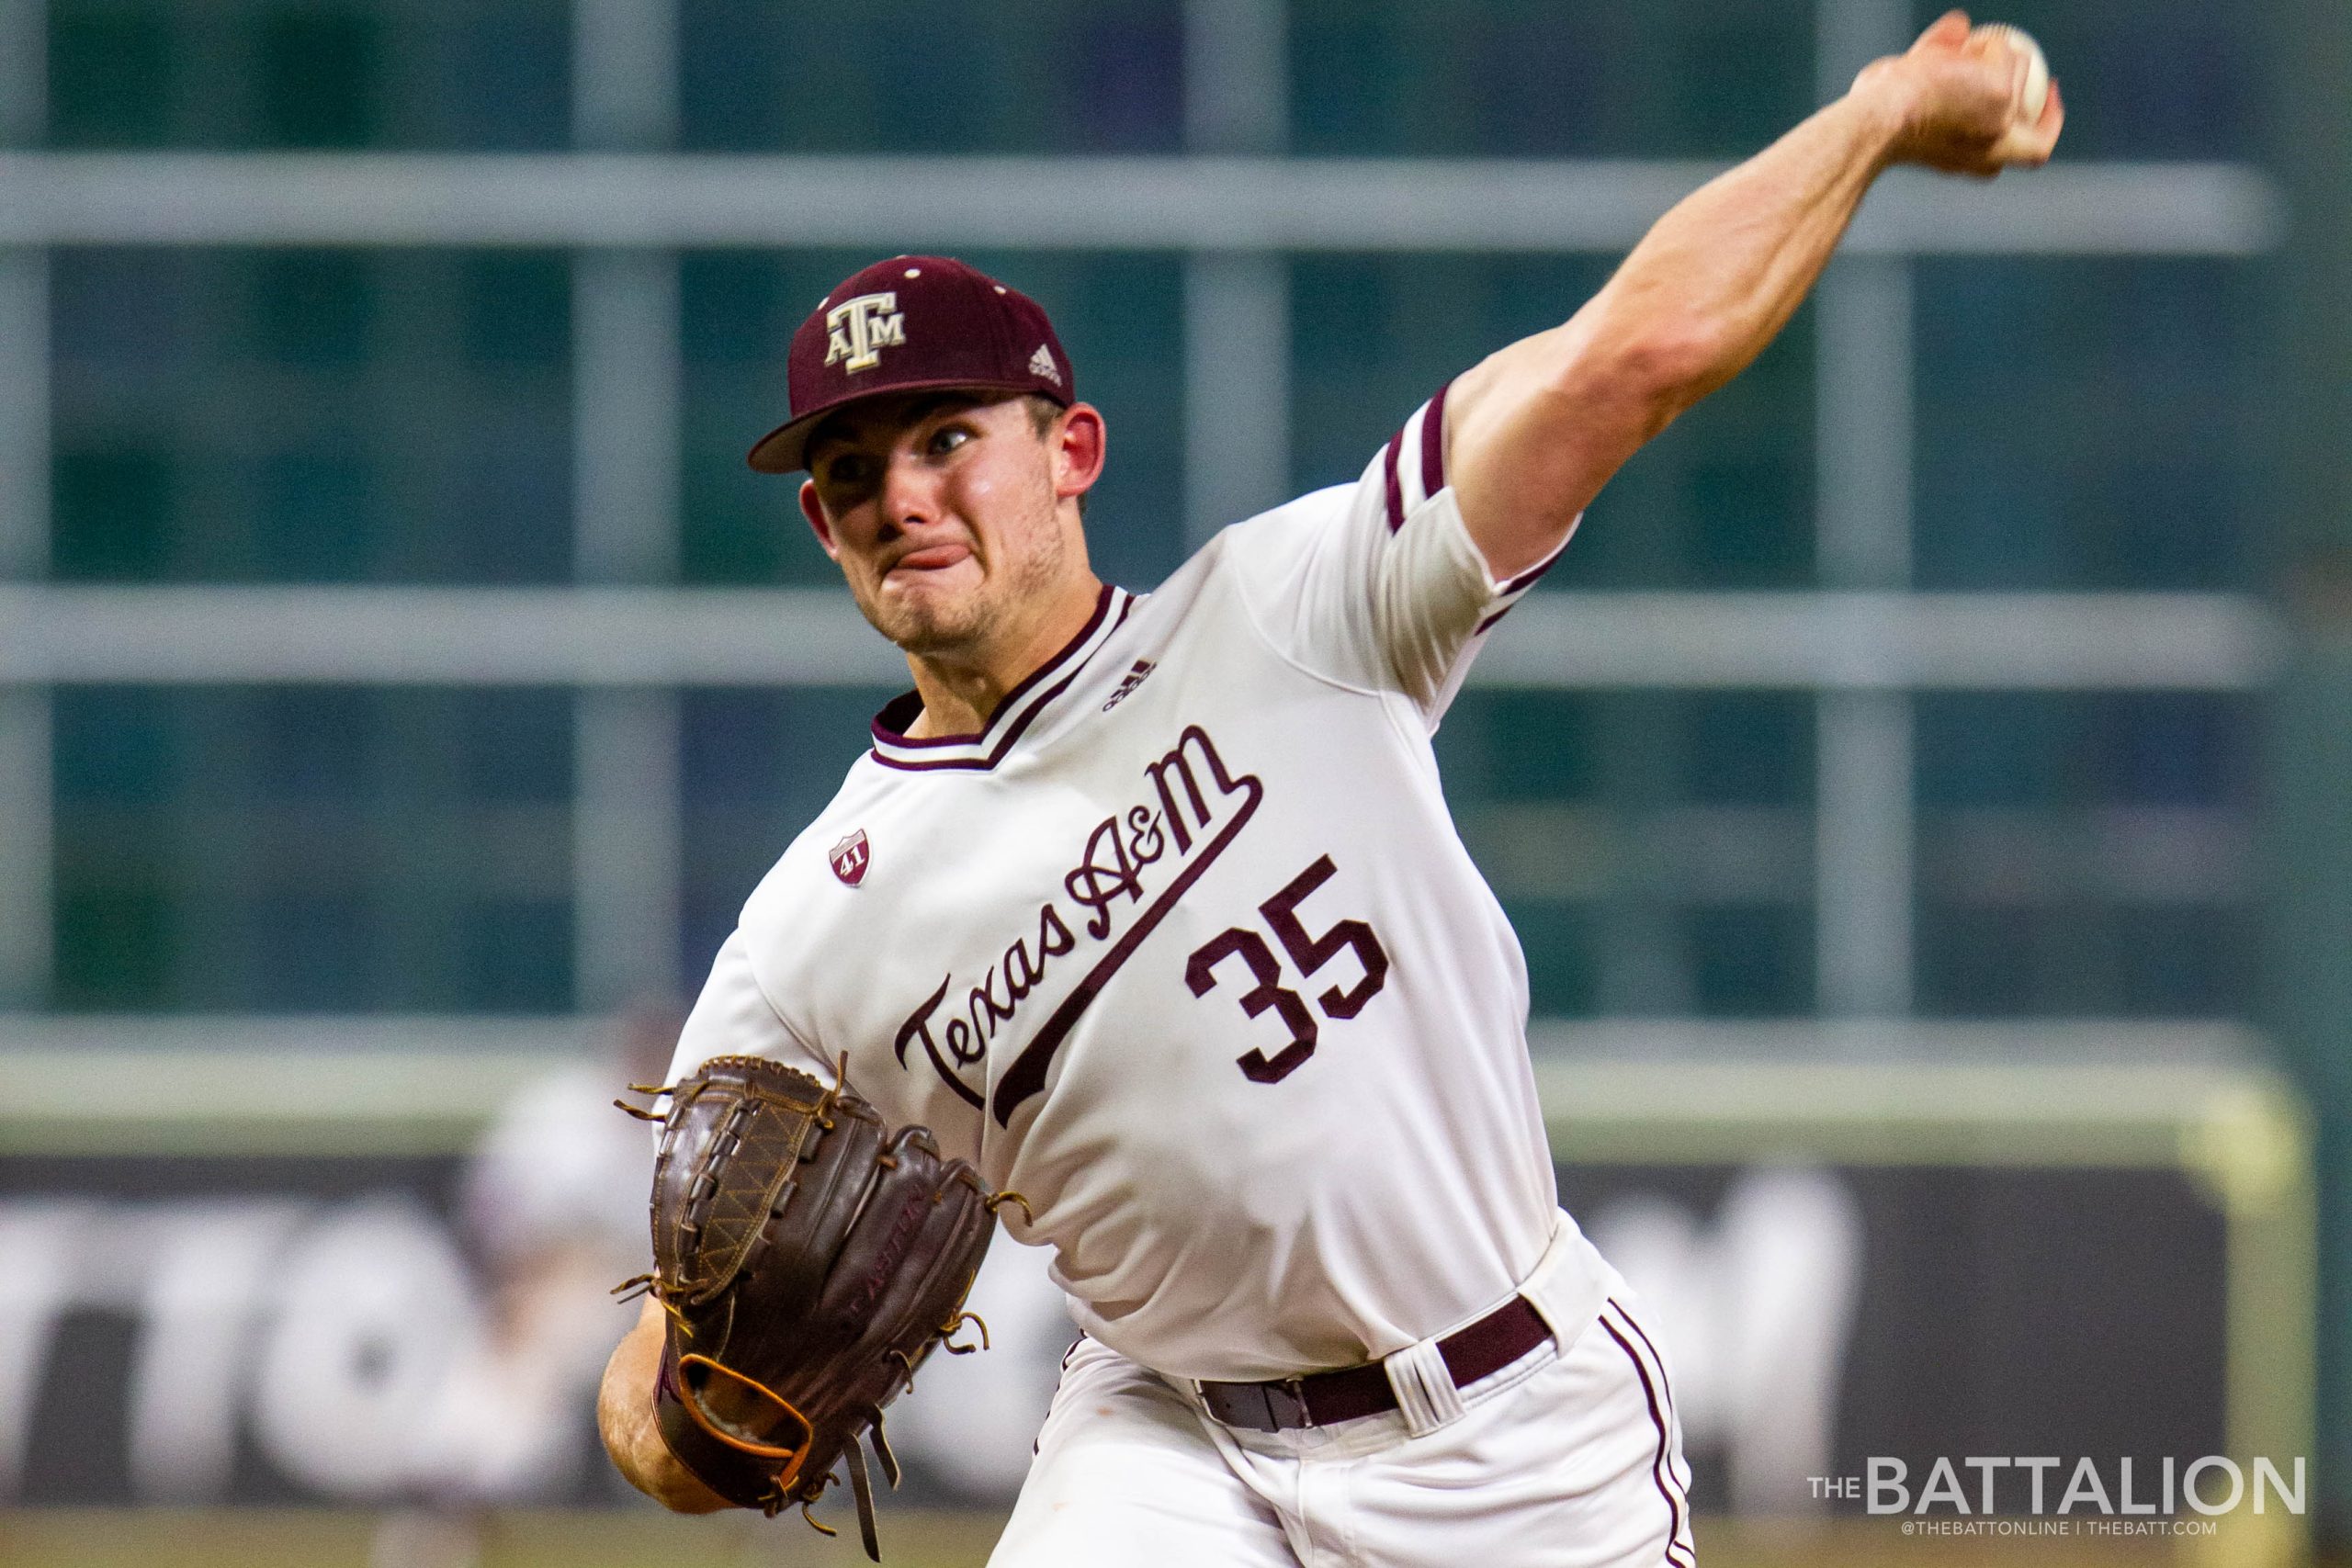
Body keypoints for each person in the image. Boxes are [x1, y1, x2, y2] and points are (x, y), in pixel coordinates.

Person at [599, 15, 2062, 1562]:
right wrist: (676, 1429)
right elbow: (668, 1352)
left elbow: (1637, 356)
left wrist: (1879, 115)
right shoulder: (817, 928)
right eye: (850, 478)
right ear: (826, 535)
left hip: (1512, 1423)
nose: (903, 496)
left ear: (1072, 450)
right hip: (1173, 1440)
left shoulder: (1296, 611)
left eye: (950, 438)